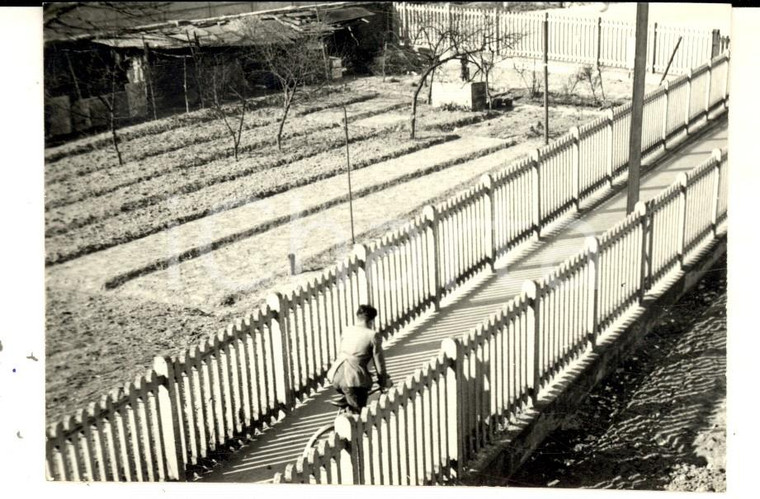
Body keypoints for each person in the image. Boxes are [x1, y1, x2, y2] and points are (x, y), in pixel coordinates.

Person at [326, 305, 393, 413]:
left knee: (352, 395)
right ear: (371, 321)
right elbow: (379, 364)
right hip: (353, 380)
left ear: (358, 318)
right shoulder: (373, 335)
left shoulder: (347, 330)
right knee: (358, 419)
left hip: (335, 376)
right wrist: (383, 382)